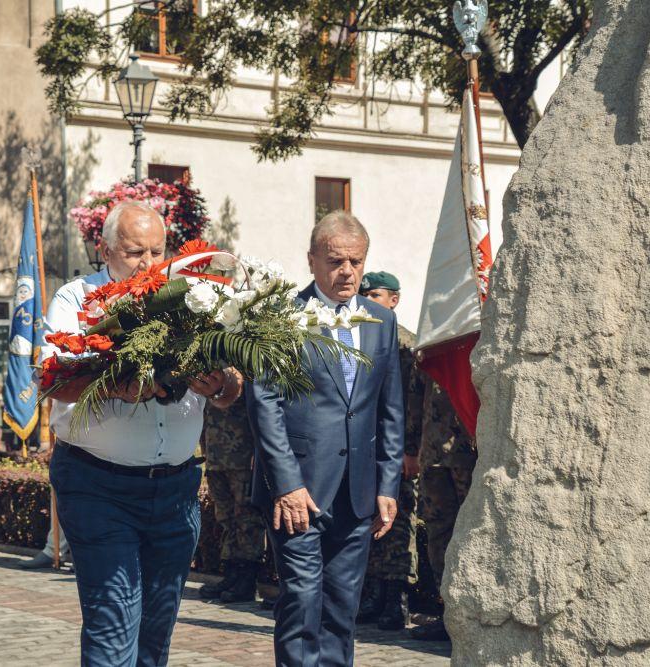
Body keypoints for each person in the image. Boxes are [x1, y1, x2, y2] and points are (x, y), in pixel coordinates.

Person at [43, 201, 243, 666]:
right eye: (136, 252)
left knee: (156, 629)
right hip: (98, 487)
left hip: (174, 490)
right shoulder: (78, 300)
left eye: (158, 251)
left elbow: (233, 384)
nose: (150, 264)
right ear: (105, 249)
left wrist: (221, 384)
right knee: (114, 622)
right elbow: (58, 381)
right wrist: (133, 386)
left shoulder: (197, 298)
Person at [247, 211, 404, 667]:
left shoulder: (381, 320)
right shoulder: (279, 316)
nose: (347, 272)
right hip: (297, 491)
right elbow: (265, 404)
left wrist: (387, 484)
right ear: (312, 260)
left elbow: (390, 407)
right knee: (301, 599)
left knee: (341, 606)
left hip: (357, 492)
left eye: (356, 262)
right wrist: (286, 484)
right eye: (336, 261)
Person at [356, 271, 425, 630]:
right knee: (371, 522)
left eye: (376, 295)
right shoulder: (361, 337)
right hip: (366, 447)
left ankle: (396, 597)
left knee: (398, 525)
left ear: (394, 300)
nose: (367, 299)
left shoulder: (406, 345)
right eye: (364, 294)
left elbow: (412, 401)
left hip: (396, 448)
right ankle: (374, 596)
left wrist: (409, 448)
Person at [409, 381, 475, 642]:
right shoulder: (431, 342)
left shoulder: (473, 340)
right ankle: (447, 612)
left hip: (468, 451)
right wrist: (410, 447)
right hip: (432, 451)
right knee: (438, 535)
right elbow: (415, 394)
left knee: (472, 534)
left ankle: (472, 615)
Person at [198, 399, 267, 603]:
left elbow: (261, 410)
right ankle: (231, 574)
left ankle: (247, 579)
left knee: (247, 520)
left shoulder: (246, 371)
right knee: (225, 517)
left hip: (242, 456)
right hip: (215, 454)